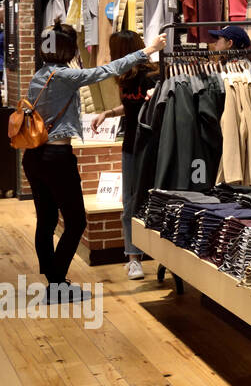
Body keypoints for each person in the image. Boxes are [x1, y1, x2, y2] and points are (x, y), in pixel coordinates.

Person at [26, 24, 163, 300]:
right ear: (66, 50)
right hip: (56, 157)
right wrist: (147, 51)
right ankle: (56, 283)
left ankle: (54, 281)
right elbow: (105, 71)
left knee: (47, 220)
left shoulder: (39, 75)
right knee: (76, 222)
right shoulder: (64, 75)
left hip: (33, 157)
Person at [91, 30, 160, 280]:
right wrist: (107, 113)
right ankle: (133, 258)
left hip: (150, 147)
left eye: (113, 50)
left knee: (147, 200)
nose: (110, 55)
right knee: (129, 202)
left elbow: (153, 107)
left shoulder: (151, 76)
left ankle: (147, 257)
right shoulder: (125, 78)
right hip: (131, 145)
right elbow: (132, 106)